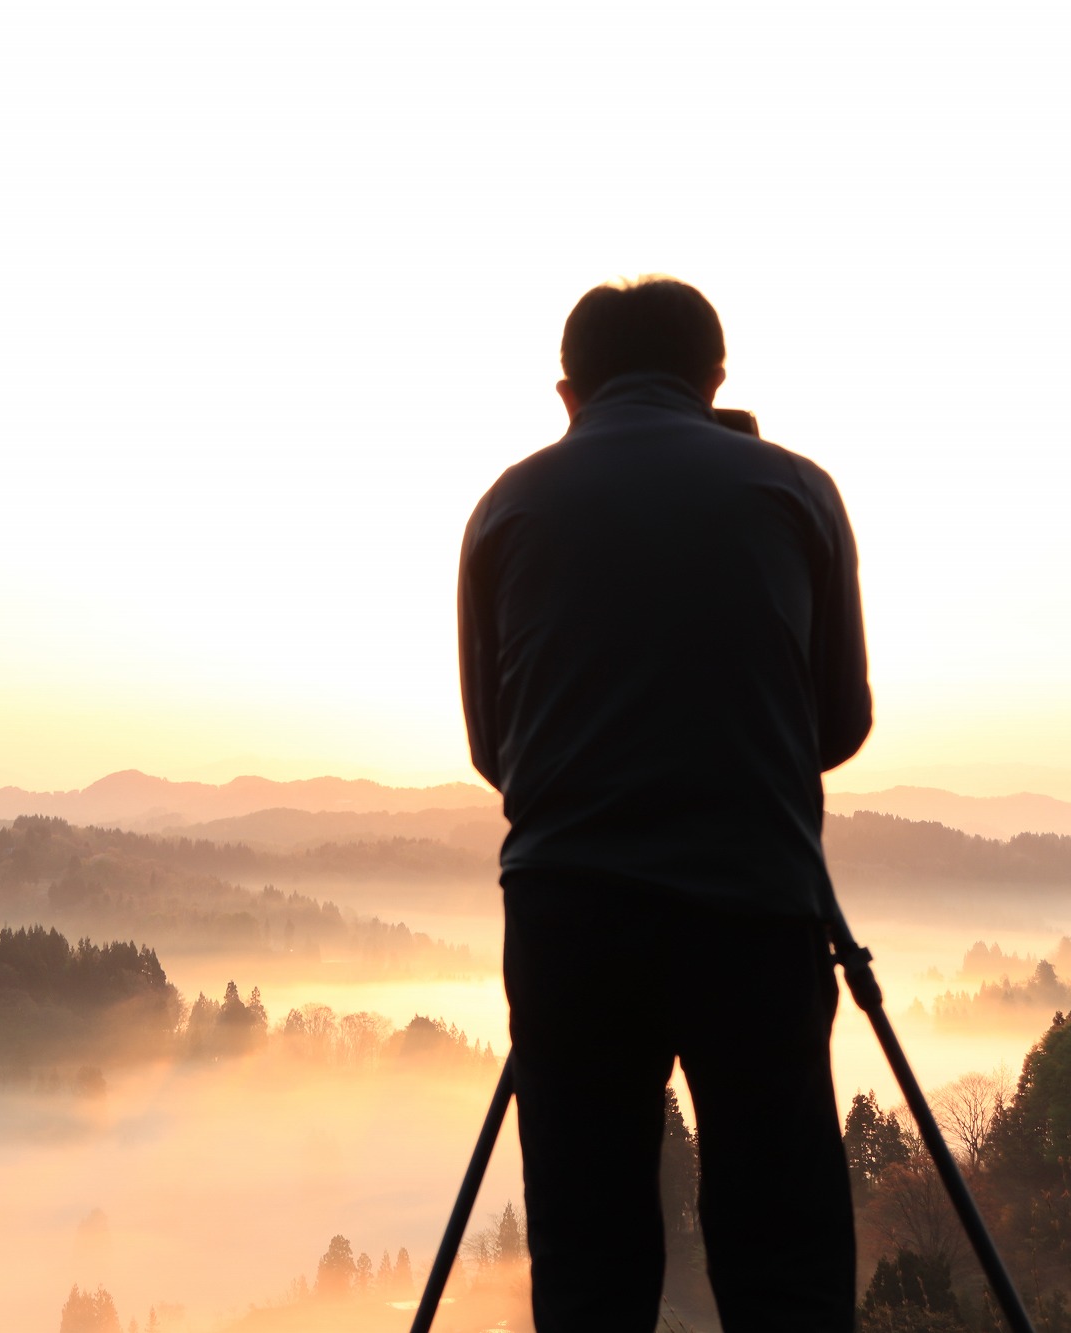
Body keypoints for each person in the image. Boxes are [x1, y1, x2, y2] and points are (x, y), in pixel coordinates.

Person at [457, 276, 871, 1332]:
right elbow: (837, 724)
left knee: (587, 1256)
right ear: (715, 377)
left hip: (568, 917)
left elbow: (493, 748)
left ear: (566, 391)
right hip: (756, 901)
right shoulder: (795, 491)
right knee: (782, 1250)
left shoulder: (506, 505)